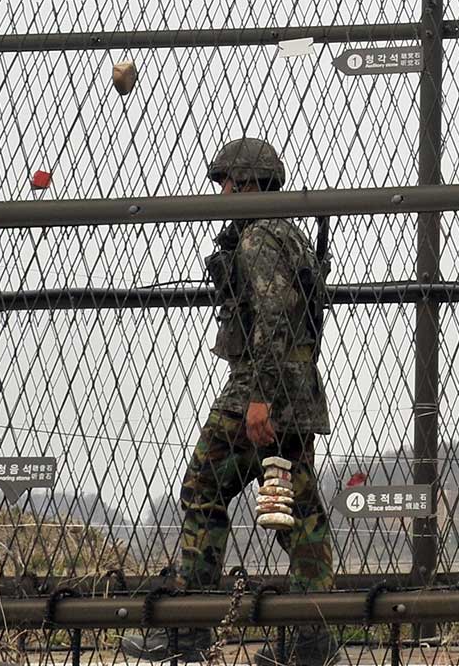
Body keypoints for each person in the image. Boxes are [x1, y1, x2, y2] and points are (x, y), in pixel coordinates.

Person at [123, 137, 337, 665]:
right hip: (296, 391)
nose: (220, 192)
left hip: (258, 392)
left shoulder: (259, 238)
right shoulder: (290, 234)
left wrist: (260, 398)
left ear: (247, 184)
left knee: (203, 487)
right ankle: (312, 635)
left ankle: (189, 629)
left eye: (226, 182)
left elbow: (273, 316)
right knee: (300, 511)